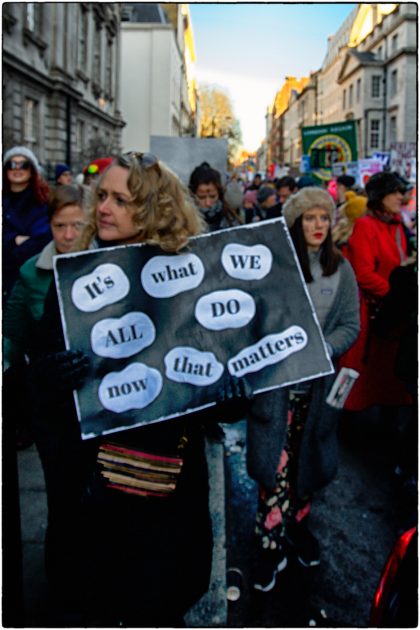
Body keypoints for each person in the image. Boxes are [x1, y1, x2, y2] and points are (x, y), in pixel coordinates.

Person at [28, 152, 249, 626]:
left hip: (165, 494)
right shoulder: (75, 279)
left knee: (158, 600)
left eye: (120, 200)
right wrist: (52, 374)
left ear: (153, 209)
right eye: (101, 196)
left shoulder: (189, 281)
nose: (102, 208)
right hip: (92, 495)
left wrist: (229, 398)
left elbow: (205, 379)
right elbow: (38, 386)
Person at [246, 186, 359, 592]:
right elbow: (252, 322)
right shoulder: (274, 269)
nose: (317, 225)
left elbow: (350, 323)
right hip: (277, 391)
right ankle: (267, 544)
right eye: (309, 218)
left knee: (306, 467)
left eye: (324, 218)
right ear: (295, 222)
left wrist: (327, 347)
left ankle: (297, 529)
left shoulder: (341, 270)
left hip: (318, 391)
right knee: (273, 470)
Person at [3, 184, 89, 450]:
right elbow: (12, 336)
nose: (68, 235)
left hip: (100, 400)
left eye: (77, 225)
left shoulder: (111, 263)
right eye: (59, 226)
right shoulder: (32, 271)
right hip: (54, 405)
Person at [339, 171, 413, 414]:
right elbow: (364, 273)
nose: (400, 196)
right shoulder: (364, 225)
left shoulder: (397, 225)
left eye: (401, 191)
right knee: (364, 373)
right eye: (395, 192)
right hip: (371, 312)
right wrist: (397, 295)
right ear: (380, 196)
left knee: (389, 378)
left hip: (393, 312)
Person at [3, 146, 51, 301]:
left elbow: (42, 239)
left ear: (32, 170)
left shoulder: (42, 201)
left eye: (23, 165)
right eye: (12, 165)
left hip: (28, 274)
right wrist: (14, 240)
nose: (17, 169)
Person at [189, 161, 243, 231]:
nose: (208, 203)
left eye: (212, 196)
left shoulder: (231, 222)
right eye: (201, 197)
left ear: (219, 194)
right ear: (192, 195)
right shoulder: (182, 224)